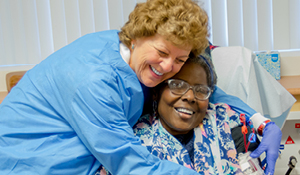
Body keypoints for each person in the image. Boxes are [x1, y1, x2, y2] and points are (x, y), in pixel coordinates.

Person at [0, 0, 209, 174]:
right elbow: (129, 162)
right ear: (136, 36)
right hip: (31, 161)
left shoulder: (137, 56)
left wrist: (241, 110)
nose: (168, 67)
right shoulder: (94, 80)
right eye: (162, 53)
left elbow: (207, 85)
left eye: (180, 59)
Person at [97, 50, 249, 174]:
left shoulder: (228, 126)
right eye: (177, 85)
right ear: (156, 92)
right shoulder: (133, 143)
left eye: (201, 90)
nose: (190, 97)